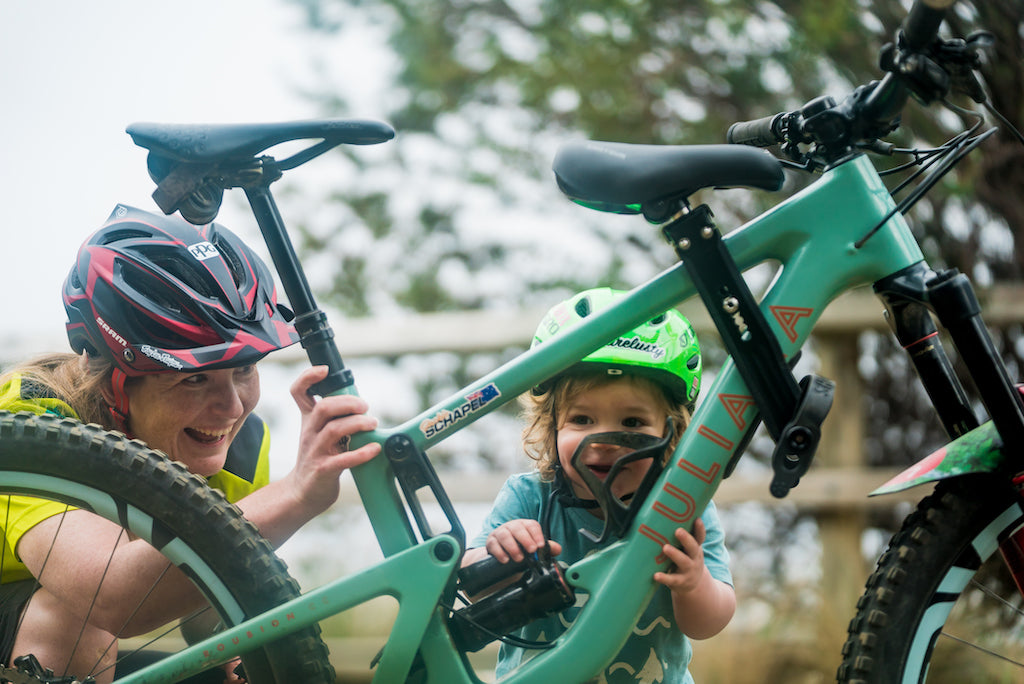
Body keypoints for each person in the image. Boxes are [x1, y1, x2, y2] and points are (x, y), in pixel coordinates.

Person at [0, 205, 381, 683]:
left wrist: (250, 655)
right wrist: (295, 495)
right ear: (113, 383)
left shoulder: (235, 443)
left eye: (244, 369)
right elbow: (114, 596)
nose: (232, 408)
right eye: (195, 379)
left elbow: (209, 606)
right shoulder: (34, 415)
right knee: (71, 617)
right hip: (44, 627)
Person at [462, 288, 735, 684]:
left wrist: (694, 583)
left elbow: (710, 622)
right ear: (551, 425)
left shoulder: (681, 504)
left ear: (671, 432)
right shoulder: (529, 496)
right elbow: (473, 588)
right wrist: (500, 552)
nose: (604, 439)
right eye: (583, 419)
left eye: (632, 423)